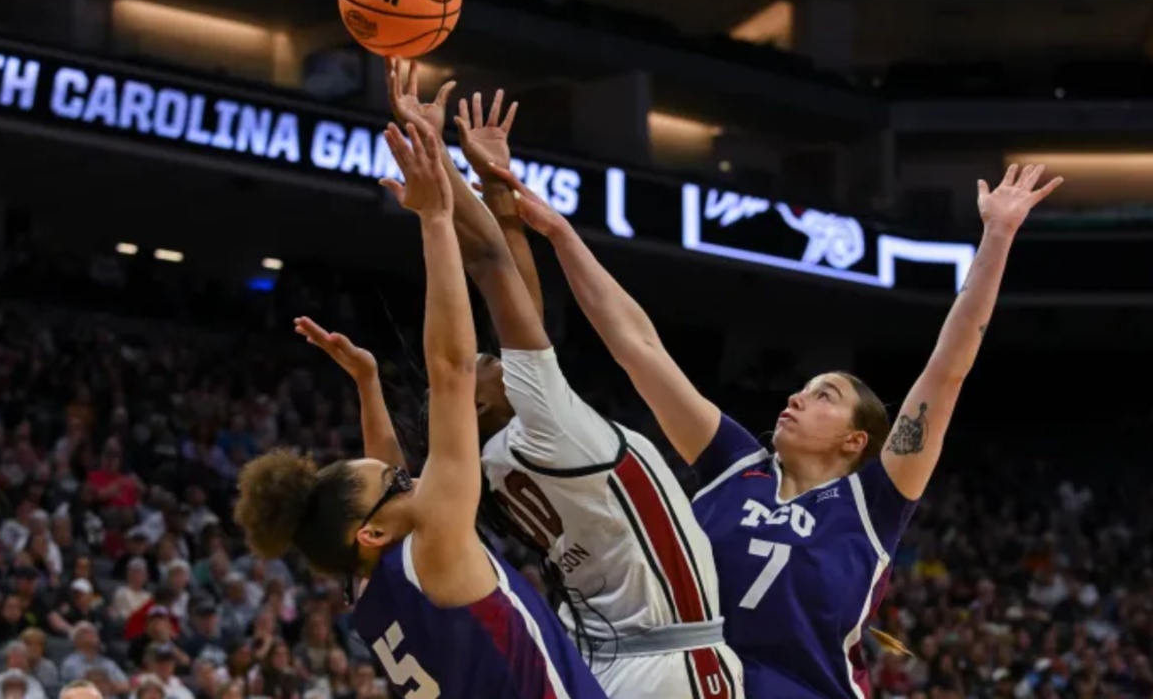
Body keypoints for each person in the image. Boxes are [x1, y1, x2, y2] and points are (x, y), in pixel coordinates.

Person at [489, 158, 1062, 698]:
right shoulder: (735, 464)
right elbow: (639, 348)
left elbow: (949, 367)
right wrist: (562, 235)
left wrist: (997, 238)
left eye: (824, 396)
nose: (797, 397)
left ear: (855, 439)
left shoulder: (874, 503)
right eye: (804, 388)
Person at [296, 56, 741, 699]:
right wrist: (436, 162)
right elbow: (491, 269)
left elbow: (513, 295)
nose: (487, 359)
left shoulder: (491, 465)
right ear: (479, 405)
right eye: (482, 365)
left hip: (604, 658)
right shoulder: (544, 424)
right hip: (675, 658)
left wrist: (495, 189)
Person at [234, 120, 606, 699]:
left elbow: (383, 481)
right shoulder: (435, 549)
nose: (413, 472)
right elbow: (453, 371)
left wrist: (368, 383)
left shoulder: (366, 589)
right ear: (374, 530)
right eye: (402, 481)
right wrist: (436, 221)